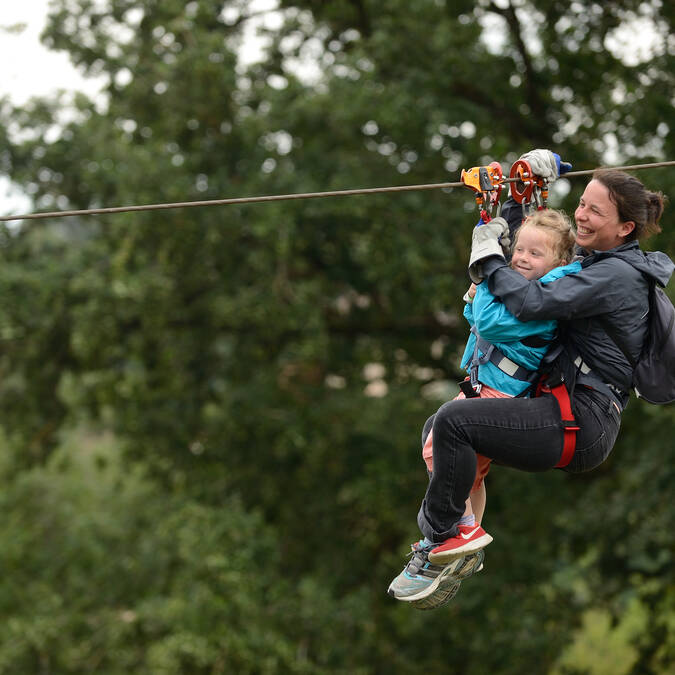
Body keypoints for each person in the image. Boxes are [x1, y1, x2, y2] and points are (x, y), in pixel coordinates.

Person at [388, 150, 674, 608]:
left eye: (594, 210)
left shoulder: (616, 275)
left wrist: (488, 262)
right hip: (567, 411)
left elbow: (531, 302)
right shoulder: (595, 260)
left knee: (453, 422)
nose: (580, 214)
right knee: (440, 432)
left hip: (582, 421)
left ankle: (439, 539)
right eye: (581, 202)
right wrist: (520, 199)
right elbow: (540, 252)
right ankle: (463, 537)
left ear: (625, 229)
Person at [390, 208, 582, 605]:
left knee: (437, 443)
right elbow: (476, 318)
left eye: (535, 254)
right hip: (486, 385)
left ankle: (459, 528)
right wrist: (479, 288)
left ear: (558, 263)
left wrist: (487, 276)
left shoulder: (545, 297)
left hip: (503, 393)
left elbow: (492, 325)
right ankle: (469, 532)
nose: (522, 259)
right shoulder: (517, 285)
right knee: (462, 465)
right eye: (519, 251)